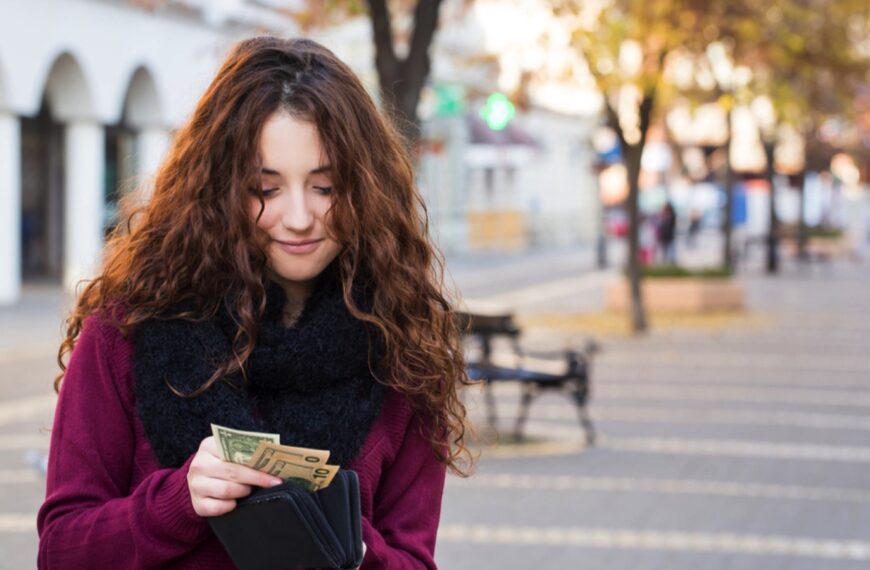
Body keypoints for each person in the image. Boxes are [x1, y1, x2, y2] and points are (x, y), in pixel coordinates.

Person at [37, 36, 473, 569]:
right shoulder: (127, 328)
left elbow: (413, 559)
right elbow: (62, 549)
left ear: (366, 189)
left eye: (326, 187)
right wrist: (178, 502)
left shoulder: (403, 352)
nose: (297, 217)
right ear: (218, 188)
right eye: (264, 189)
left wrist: (352, 547)